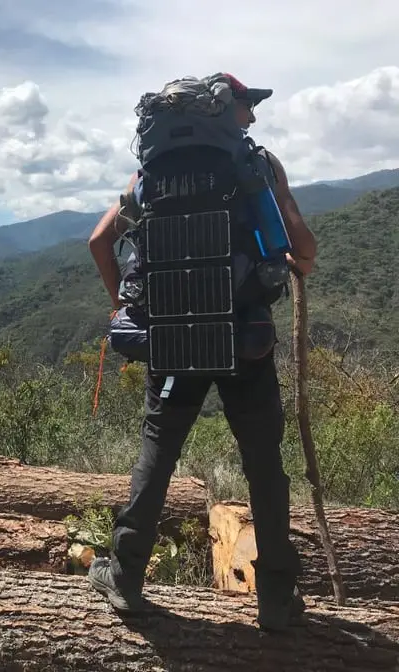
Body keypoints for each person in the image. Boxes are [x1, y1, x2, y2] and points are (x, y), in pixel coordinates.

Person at [86, 73, 318, 632]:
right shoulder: (256, 166)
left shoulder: (150, 177)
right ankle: (275, 597)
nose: (254, 118)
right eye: (248, 105)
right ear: (226, 109)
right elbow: (303, 252)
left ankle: (126, 575)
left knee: (159, 450)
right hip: (246, 338)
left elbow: (98, 243)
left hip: (171, 338)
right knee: (263, 462)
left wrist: (126, 306)